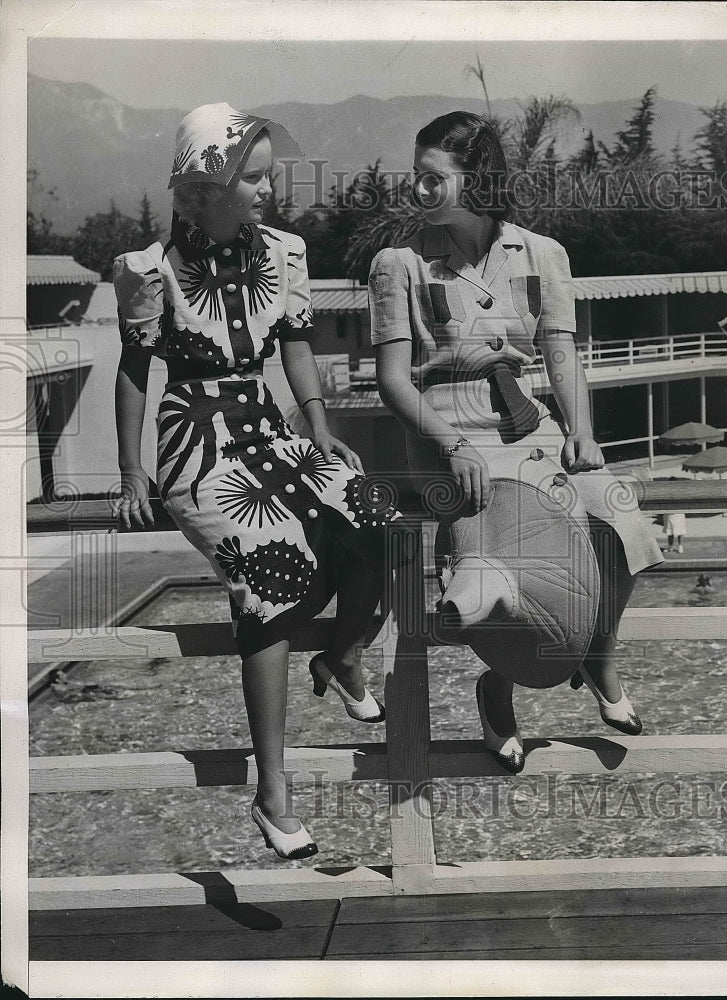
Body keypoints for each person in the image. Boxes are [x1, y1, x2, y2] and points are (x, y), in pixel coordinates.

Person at [112, 103, 402, 859]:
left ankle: (339, 656)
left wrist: (317, 421)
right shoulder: (150, 270)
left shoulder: (284, 253)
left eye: (270, 175)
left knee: (378, 517)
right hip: (197, 445)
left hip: (268, 428)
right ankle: (273, 796)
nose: (271, 190)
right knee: (270, 567)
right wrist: (129, 469)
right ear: (205, 187)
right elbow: (135, 373)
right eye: (256, 176)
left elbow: (298, 345)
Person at [370, 111, 664, 772]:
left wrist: (582, 433)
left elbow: (560, 354)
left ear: (475, 178)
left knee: (617, 514)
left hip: (526, 420)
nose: (418, 191)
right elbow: (392, 382)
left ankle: (597, 653)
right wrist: (448, 444)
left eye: (432, 178)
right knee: (494, 561)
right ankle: (496, 690)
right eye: (415, 177)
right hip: (441, 424)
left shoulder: (541, 254)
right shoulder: (399, 264)